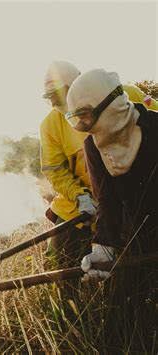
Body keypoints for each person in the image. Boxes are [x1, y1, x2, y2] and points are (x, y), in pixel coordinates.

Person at [66, 68, 157, 351]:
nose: (83, 125)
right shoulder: (93, 149)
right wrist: (103, 248)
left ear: (112, 102)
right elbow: (107, 203)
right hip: (136, 240)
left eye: (85, 114)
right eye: (76, 119)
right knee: (125, 322)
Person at [40, 61, 157, 273]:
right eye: (50, 97)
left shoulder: (123, 92)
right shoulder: (54, 127)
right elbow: (55, 170)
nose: (55, 101)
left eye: (58, 93)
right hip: (80, 205)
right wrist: (80, 196)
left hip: (130, 194)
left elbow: (151, 116)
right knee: (58, 262)